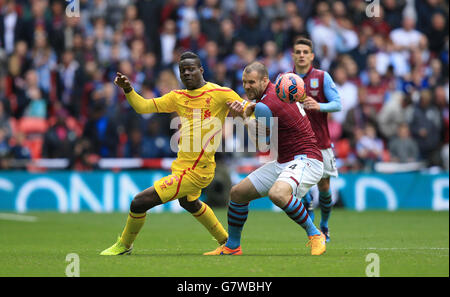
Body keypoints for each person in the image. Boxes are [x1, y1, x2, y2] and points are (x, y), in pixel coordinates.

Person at [100, 51, 250, 255]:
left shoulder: (220, 93)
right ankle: (227, 242)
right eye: (182, 70)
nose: (186, 73)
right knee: (189, 202)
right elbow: (143, 107)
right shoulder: (177, 97)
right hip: (182, 166)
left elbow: (249, 109)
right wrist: (128, 90)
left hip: (197, 171)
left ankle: (124, 245)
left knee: (139, 202)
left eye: (191, 69)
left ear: (201, 70)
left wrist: (243, 111)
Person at [204, 61, 326, 256]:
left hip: (306, 160)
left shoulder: (264, 105)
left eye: (251, 82)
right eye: (244, 82)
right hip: (285, 161)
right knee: (237, 194)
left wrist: (241, 117)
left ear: (264, 80)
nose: (246, 86)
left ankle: (315, 234)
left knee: (278, 194)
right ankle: (232, 246)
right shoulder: (276, 93)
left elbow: (262, 145)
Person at [292, 37, 342, 242]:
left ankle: (325, 225)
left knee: (324, 187)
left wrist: (319, 106)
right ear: (293, 55)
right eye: (298, 52)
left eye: (305, 52)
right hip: (295, 143)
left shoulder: (322, 77)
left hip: (321, 142)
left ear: (312, 56)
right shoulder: (286, 79)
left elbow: (337, 104)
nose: (302, 55)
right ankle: (312, 227)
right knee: (300, 187)